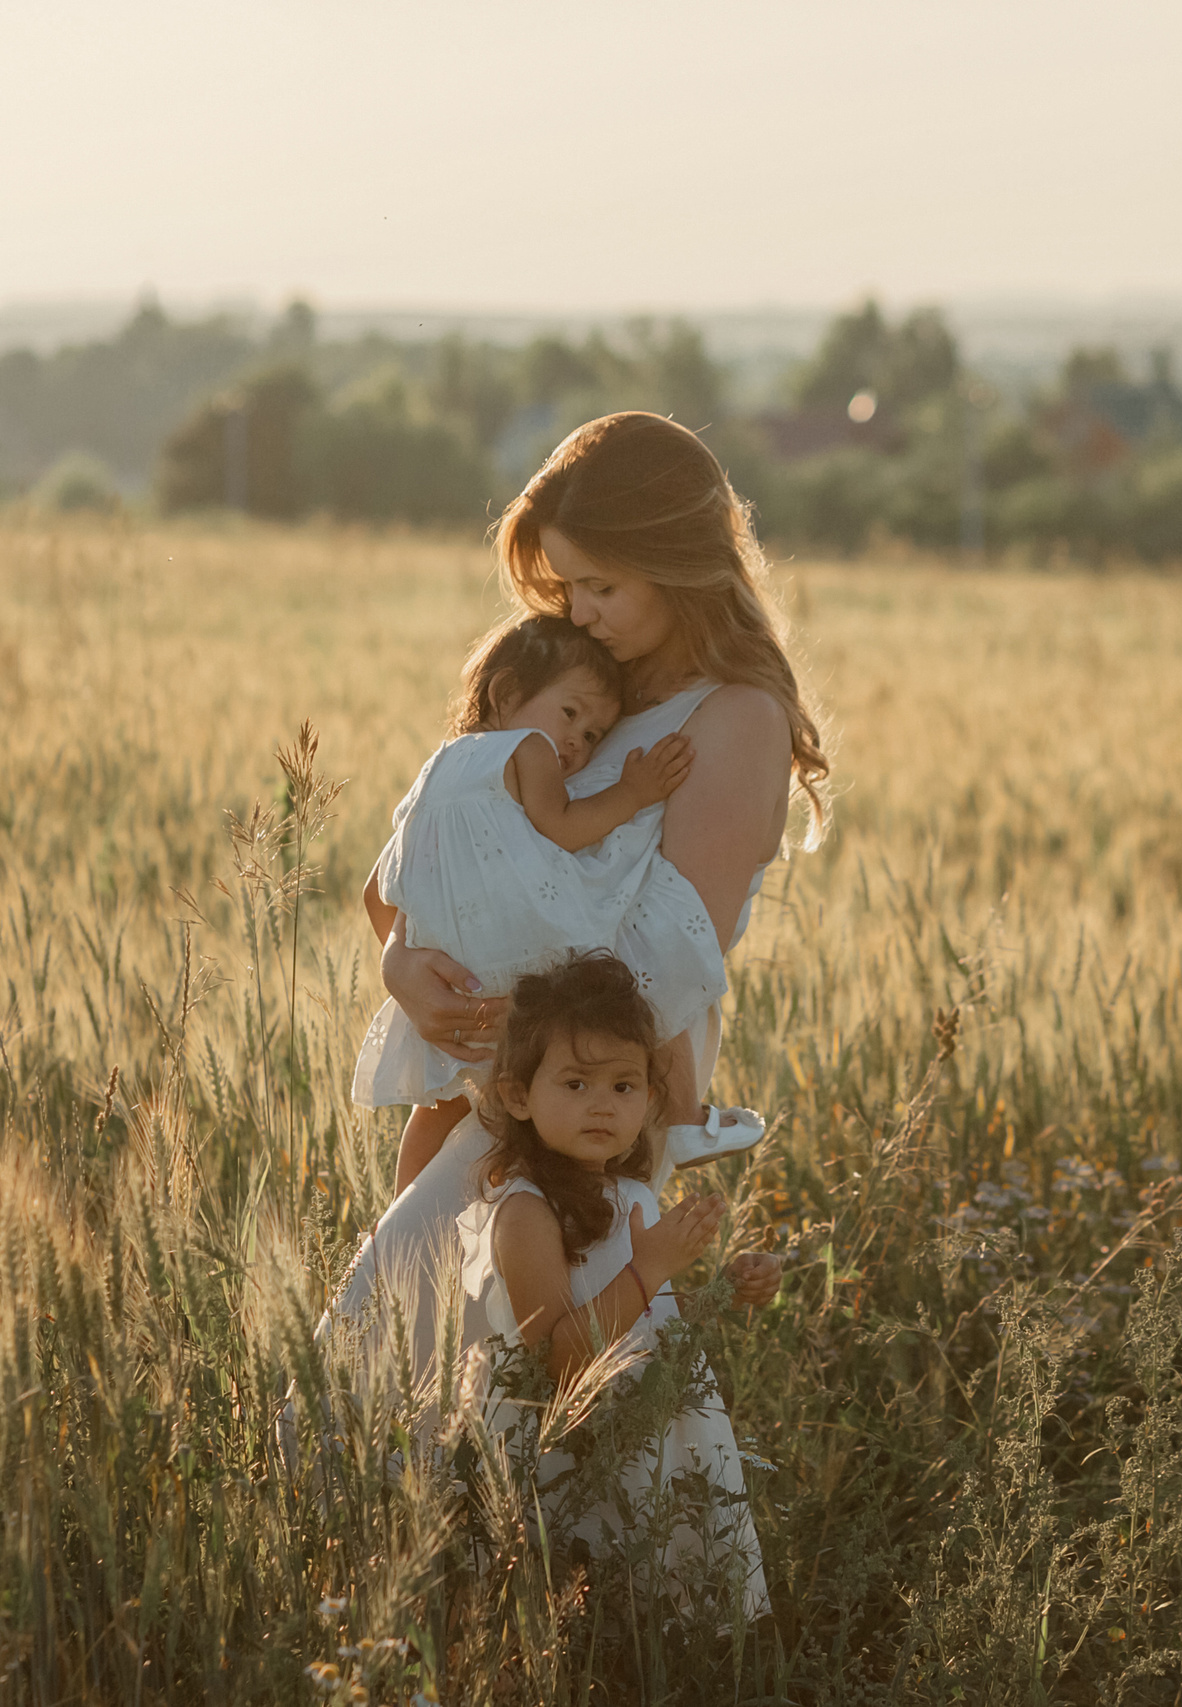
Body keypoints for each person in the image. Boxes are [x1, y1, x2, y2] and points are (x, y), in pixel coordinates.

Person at [326, 410, 830, 1384]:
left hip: (578, 1107)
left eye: (602, 585)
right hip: (499, 1077)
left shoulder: (733, 718)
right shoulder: (577, 688)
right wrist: (402, 967)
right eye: (566, 585)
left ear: (678, 564)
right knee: (406, 1363)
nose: (579, 610)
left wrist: (509, 1036)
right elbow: (440, 848)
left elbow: (673, 955)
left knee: (515, 1381)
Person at [452, 952, 776, 1618]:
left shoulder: (629, 1192)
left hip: (644, 1437)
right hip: (573, 1457)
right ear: (518, 1094)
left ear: (652, 1100)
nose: (602, 1104)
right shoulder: (526, 1211)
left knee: (663, 1603)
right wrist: (651, 1263)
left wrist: (720, 1291)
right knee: (588, 1605)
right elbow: (562, 1360)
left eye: (624, 1087)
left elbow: (645, 1316)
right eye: (575, 1083)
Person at [352, 613, 703, 1195]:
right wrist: (634, 792)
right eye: (571, 714)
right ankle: (681, 1122)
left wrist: (421, 953)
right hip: (525, 966)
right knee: (640, 973)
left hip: (460, 984)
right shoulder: (527, 749)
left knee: (443, 1107)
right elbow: (564, 827)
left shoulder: (435, 768)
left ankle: (400, 1218)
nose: (577, 742)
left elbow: (378, 892)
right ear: (506, 693)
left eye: (594, 736)